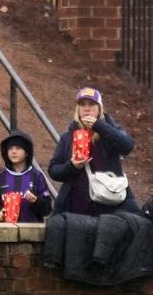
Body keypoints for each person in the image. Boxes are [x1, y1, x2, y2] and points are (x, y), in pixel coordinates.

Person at [49, 88, 139, 216]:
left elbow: (127, 146)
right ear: (78, 110)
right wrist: (72, 166)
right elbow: (54, 170)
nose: (87, 108)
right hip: (76, 209)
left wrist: (99, 126)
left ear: (99, 108)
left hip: (110, 208)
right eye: (82, 104)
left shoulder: (109, 131)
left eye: (91, 104)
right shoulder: (68, 137)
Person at [0, 130, 53, 223]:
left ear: (27, 152)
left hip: (31, 231)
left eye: (18, 148)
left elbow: (47, 209)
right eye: (10, 148)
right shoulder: (0, 178)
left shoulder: (37, 176)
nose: (13, 151)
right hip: (5, 233)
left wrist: (35, 201)